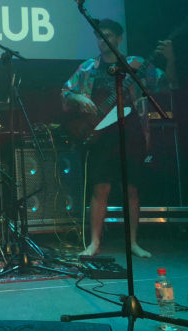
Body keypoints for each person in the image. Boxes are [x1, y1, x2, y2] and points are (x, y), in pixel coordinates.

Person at [61, 19, 176, 258]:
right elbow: (66, 91)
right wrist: (78, 99)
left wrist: (170, 58)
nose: (103, 41)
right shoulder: (88, 68)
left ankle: (133, 242)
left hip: (131, 131)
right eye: (99, 36)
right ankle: (93, 243)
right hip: (101, 134)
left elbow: (168, 83)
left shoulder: (135, 64)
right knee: (100, 188)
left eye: (108, 36)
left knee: (131, 189)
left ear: (119, 38)